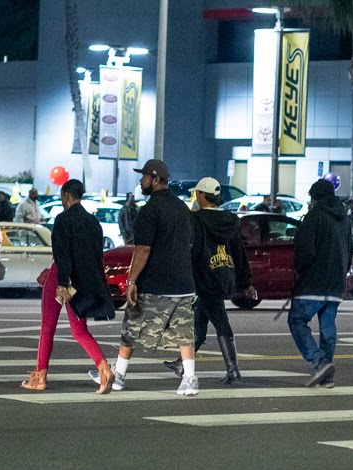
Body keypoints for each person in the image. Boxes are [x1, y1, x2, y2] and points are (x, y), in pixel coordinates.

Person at [90, 159, 199, 396]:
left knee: (131, 327)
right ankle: (190, 379)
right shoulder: (183, 209)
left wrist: (131, 281)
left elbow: (142, 249)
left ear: (155, 179)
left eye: (144, 177)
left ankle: (118, 376)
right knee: (184, 332)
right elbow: (191, 244)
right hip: (184, 284)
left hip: (155, 283)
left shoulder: (149, 211)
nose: (141, 182)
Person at [22, 179, 116, 393]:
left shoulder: (63, 220)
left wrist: (61, 283)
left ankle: (40, 377)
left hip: (61, 278)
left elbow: (62, 255)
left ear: (66, 195)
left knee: (48, 326)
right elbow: (96, 258)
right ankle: (104, 368)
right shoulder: (93, 222)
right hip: (82, 281)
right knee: (79, 330)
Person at [162, 177, 253, 384]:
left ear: (202, 195)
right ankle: (180, 364)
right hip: (222, 275)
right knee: (200, 323)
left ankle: (233, 370)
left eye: (197, 193)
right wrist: (246, 281)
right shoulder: (230, 221)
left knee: (221, 322)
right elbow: (239, 253)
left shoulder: (196, 220)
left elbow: (191, 251)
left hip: (204, 278)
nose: (195, 196)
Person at [288, 179, 353, 388]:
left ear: (315, 198)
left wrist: (300, 272)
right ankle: (327, 375)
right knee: (328, 327)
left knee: (297, 320)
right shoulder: (344, 219)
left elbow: (305, 250)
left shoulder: (314, 217)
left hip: (313, 283)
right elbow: (349, 251)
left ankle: (320, 362)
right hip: (335, 283)